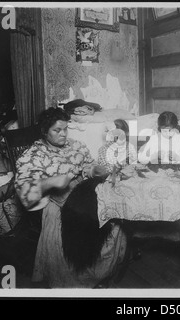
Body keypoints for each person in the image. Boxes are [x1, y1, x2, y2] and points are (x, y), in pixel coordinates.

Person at [15, 107, 126, 288]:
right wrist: (49, 183)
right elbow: (24, 192)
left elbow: (87, 167)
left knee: (113, 217)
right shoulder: (33, 155)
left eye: (65, 129)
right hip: (55, 202)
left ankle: (101, 272)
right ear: (44, 131)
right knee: (72, 226)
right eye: (57, 130)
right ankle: (73, 282)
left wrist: (94, 170)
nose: (63, 134)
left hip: (84, 195)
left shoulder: (76, 146)